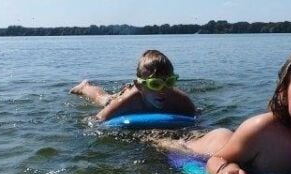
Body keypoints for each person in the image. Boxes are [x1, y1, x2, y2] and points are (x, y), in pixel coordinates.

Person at [70, 49, 198, 122]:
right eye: (155, 84)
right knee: (103, 99)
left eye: (169, 82)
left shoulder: (182, 101)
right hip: (125, 96)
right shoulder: (128, 101)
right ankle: (85, 87)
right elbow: (98, 119)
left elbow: (197, 119)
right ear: (140, 86)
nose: (163, 90)